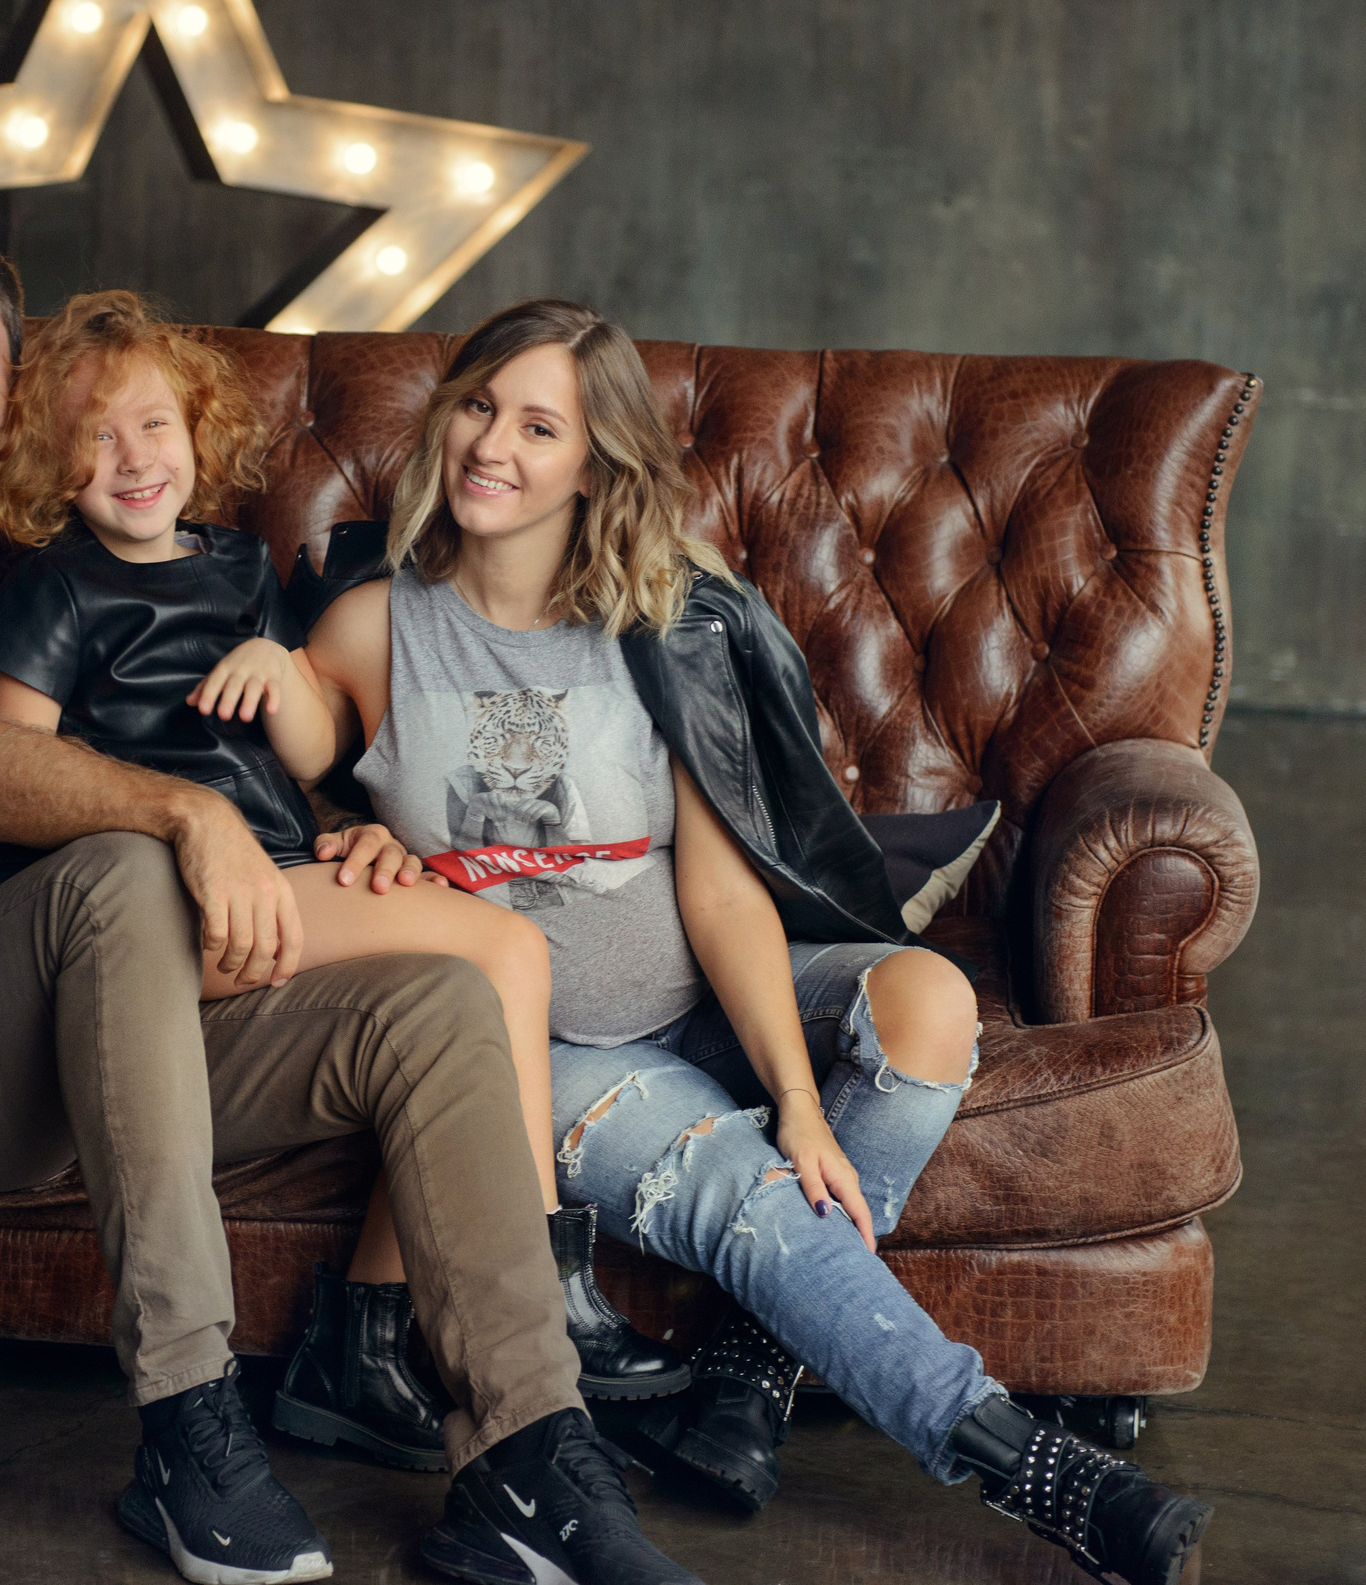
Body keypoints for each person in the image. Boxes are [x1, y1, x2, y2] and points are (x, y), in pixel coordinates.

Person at [0, 229, 701, 1585]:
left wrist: (352, 841)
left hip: (131, 1014)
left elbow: (243, 749)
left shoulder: (88, 548)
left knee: (447, 999)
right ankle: (185, 1422)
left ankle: (524, 1454)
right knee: (115, 861)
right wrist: (188, 816)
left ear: (17, 384)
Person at [298, 299, 1214, 1585]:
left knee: (927, 1000)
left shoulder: (659, 626)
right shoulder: (376, 624)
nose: (491, 443)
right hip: (543, 1052)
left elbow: (724, 893)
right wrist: (344, 820)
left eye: (539, 422)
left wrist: (798, 1098)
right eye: (477, 404)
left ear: (596, 462)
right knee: (754, 1202)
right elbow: (264, 759)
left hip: (702, 997)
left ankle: (745, 1371)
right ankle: (1034, 1467)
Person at [0, 290, 684, 1470]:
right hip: (149, 897)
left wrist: (359, 827)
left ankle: (355, 1345)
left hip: (283, 867)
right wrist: (169, 852)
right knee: (500, 949)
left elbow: (300, 751)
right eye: (90, 437)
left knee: (443, 1004)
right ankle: (545, 1276)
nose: (130, 458)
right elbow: (17, 774)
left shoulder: (242, 569)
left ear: (198, 435)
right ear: (47, 460)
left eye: (152, 426)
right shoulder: (56, 586)